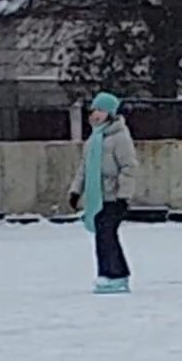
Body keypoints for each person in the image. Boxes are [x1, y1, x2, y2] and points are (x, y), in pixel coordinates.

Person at [68, 92, 138, 294]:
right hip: (97, 196)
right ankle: (111, 273)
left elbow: (129, 167)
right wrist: (75, 191)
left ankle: (114, 274)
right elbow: (85, 168)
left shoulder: (119, 137)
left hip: (113, 196)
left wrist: (123, 196)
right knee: (102, 235)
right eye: (94, 110)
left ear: (110, 113)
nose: (95, 114)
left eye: (100, 110)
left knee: (107, 234)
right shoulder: (94, 138)